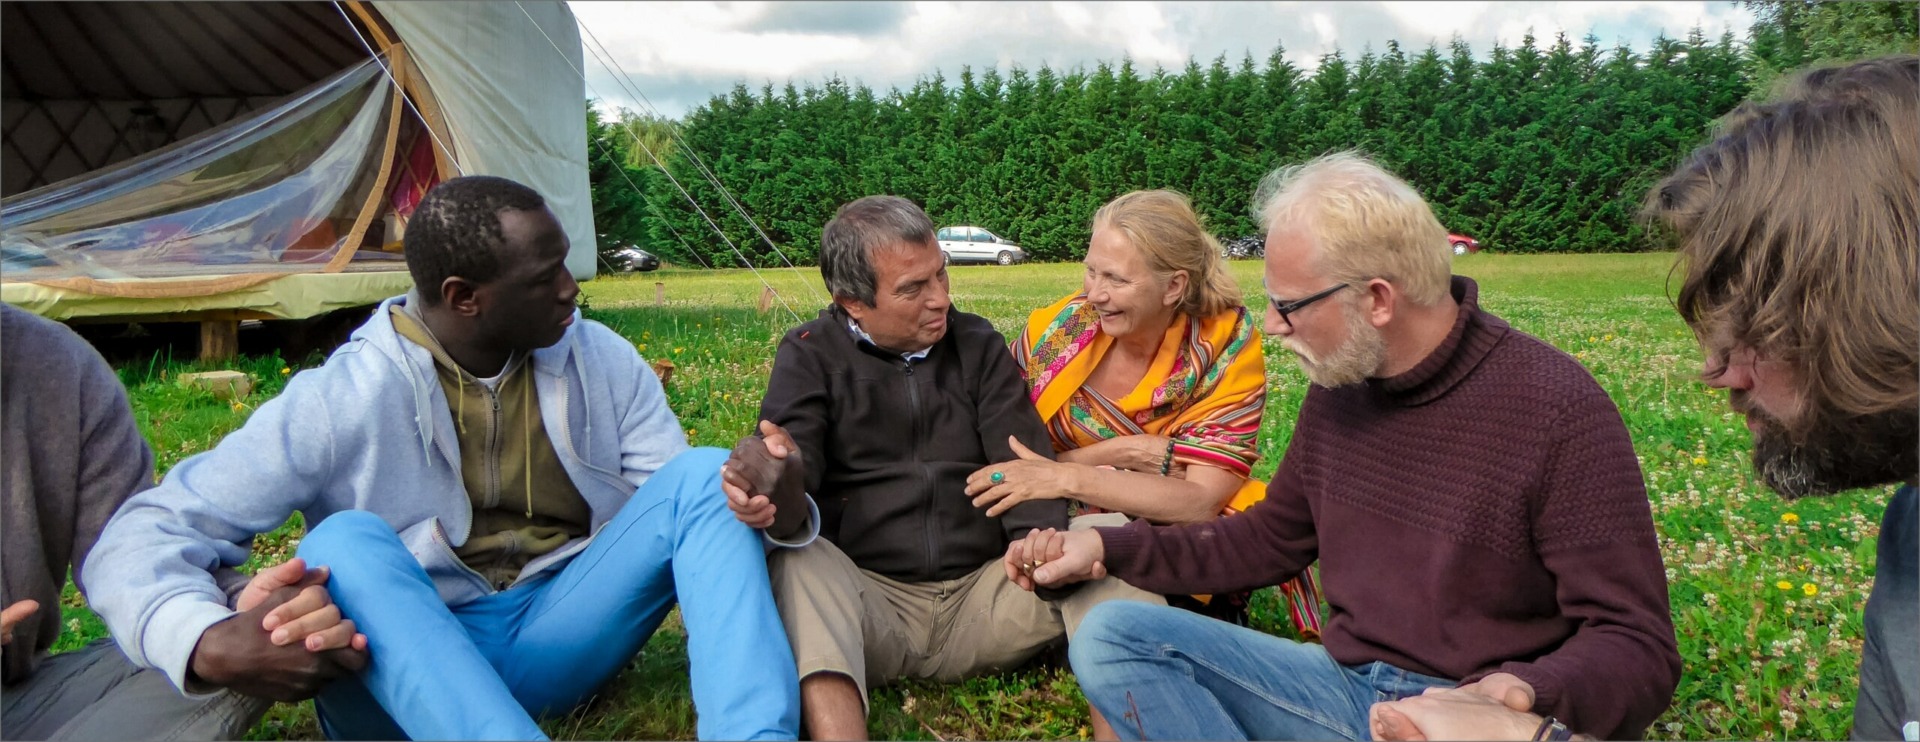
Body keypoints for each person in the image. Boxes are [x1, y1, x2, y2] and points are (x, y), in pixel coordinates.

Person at [81, 176, 808, 741]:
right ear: (465, 298)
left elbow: (674, 522)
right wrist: (201, 640)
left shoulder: (599, 358)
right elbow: (138, 538)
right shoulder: (342, 396)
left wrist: (758, 493)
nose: (571, 288)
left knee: (701, 475)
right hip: (404, 666)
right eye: (545, 275)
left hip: (557, 632)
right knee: (343, 541)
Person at [1009, 151, 1681, 741]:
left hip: (1470, 717)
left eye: (1289, 305)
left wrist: (1507, 698)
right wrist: (1104, 547)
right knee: (1112, 636)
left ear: (1378, 299)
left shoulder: (1556, 407)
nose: (1269, 327)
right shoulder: (1342, 390)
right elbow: (1267, 541)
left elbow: (1637, 646)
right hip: (1345, 689)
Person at [1369, 55, 1918, 742]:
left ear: (1890, 301)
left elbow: (1634, 642)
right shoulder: (1911, 525)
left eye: (1759, 329)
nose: (1718, 374)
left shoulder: (1547, 398)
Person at [733, 195, 1156, 741]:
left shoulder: (977, 344)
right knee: (800, 564)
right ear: (852, 303)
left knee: (1111, 539)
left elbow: (1023, 464)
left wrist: (1035, 547)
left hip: (994, 591)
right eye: (913, 289)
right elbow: (797, 478)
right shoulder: (809, 353)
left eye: (941, 276)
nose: (940, 300)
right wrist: (778, 475)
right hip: (869, 608)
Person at [971, 189, 1324, 633]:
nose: (1094, 294)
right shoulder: (1058, 330)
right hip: (1049, 515)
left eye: (1116, 280)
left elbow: (1200, 499)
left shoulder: (1223, 344)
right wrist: (1119, 454)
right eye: (1090, 271)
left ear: (1174, 286)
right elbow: (1003, 459)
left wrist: (1065, 475)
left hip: (1164, 533)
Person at [1, 304, 323, 740]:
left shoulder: (58, 364)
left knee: (238, 646)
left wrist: (238, 610)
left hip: (19, 702)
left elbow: (132, 547)